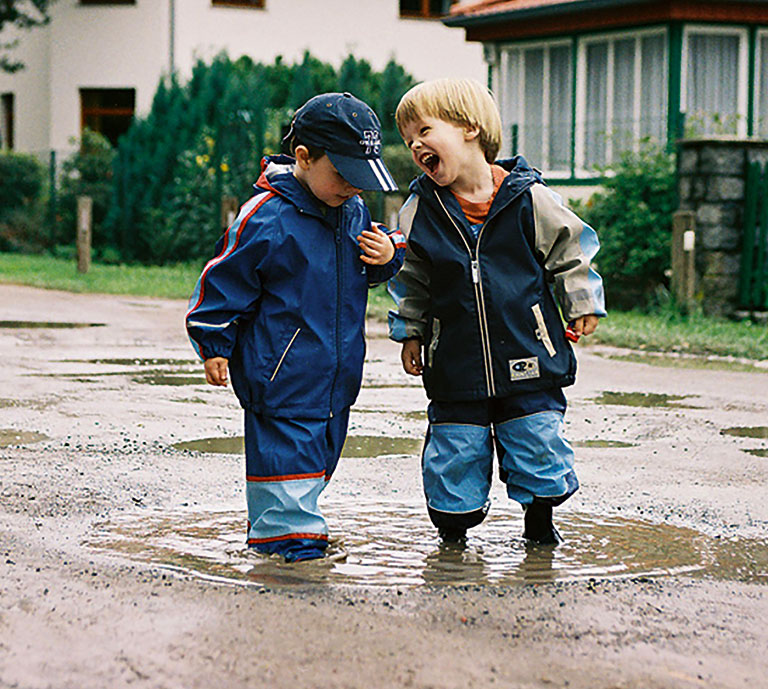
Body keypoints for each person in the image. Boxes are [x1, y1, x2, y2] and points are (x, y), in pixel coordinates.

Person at [186, 93, 405, 562]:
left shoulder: (353, 210)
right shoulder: (267, 217)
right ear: (303, 158)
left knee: (313, 470)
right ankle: (293, 557)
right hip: (281, 377)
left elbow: (370, 260)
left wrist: (390, 253)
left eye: (362, 179)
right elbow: (223, 281)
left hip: (335, 380)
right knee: (289, 483)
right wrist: (213, 342)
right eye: (344, 175)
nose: (353, 187)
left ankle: (276, 533)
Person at [388, 79, 606, 545]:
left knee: (535, 438)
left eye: (424, 130)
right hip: (455, 361)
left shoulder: (528, 198)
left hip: (529, 351)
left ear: (469, 128)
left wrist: (581, 299)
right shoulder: (420, 211)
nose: (415, 145)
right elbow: (412, 278)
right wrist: (411, 331)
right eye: (409, 140)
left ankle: (540, 522)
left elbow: (571, 248)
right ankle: (453, 534)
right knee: (455, 450)